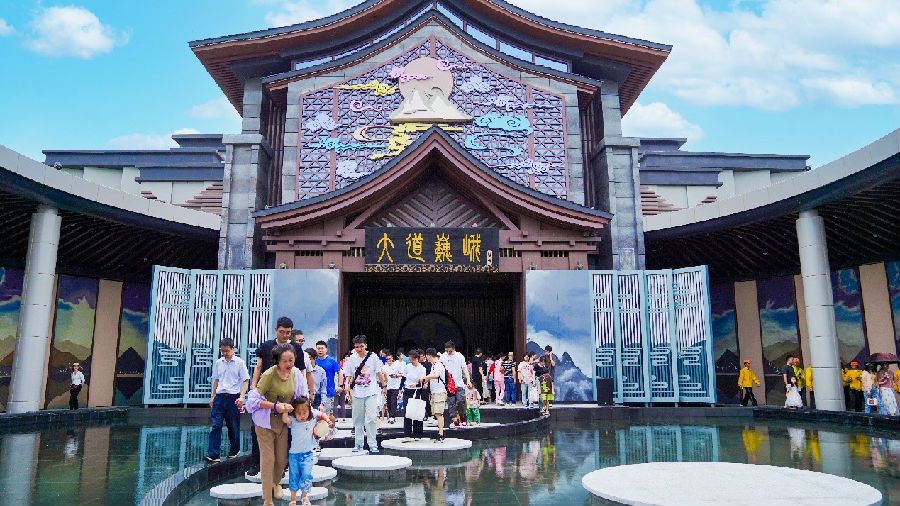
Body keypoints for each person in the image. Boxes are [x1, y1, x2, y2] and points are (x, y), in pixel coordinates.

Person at [245, 343, 309, 506]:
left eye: (291, 360)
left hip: (283, 421)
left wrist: (314, 415)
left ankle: (276, 482)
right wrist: (275, 406)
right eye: (284, 361)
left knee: (281, 459)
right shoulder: (269, 374)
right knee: (268, 459)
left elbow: (301, 397)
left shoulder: (296, 374)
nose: (288, 364)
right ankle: (267, 499)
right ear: (277, 361)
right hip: (264, 421)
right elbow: (251, 402)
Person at [249, 317, 313, 476]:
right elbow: (258, 367)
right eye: (282, 332)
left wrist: (303, 395)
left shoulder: (296, 348)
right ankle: (256, 463)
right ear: (276, 330)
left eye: (288, 333)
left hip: (288, 397)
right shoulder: (266, 346)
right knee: (258, 430)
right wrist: (253, 388)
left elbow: (301, 371)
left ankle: (283, 465)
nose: (285, 335)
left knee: (286, 431)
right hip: (266, 394)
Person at [205, 338, 250, 463]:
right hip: (219, 398)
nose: (225, 353)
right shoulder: (218, 362)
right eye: (222, 351)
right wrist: (212, 396)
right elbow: (216, 380)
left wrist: (242, 397)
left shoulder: (240, 363)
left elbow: (246, 380)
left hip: (233, 398)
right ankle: (214, 454)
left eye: (227, 351)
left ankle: (234, 450)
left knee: (233, 425)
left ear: (233, 349)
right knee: (216, 425)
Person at [286, 397, 334, 506]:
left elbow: (322, 414)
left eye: (305, 412)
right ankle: (293, 499)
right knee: (293, 476)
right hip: (293, 455)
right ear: (294, 412)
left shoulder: (312, 418)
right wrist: (285, 410)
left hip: (307, 454)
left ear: (309, 410)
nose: (302, 415)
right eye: (299, 413)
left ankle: (304, 496)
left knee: (306, 475)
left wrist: (327, 420)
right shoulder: (292, 420)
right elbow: (284, 419)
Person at [341, 335, 386, 453]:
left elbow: (379, 373)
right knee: (358, 419)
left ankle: (372, 444)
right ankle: (358, 443)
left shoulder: (373, 357)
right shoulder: (351, 359)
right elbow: (348, 375)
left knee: (371, 418)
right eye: (357, 347)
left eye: (361, 346)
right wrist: (346, 386)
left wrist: (384, 386)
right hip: (357, 392)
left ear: (366, 345)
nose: (359, 349)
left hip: (371, 391)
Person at [420, 348, 447, 443]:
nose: (426, 358)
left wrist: (425, 377)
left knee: (439, 414)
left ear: (429, 355)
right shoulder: (433, 365)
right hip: (435, 392)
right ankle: (440, 432)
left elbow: (436, 375)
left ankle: (441, 434)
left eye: (426, 356)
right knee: (436, 413)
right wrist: (426, 382)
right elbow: (431, 376)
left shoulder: (438, 365)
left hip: (439, 392)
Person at [440, 341, 469, 426]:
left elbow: (464, 369)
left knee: (461, 401)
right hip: (449, 385)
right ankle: (455, 420)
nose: (448, 353)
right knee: (451, 403)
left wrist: (468, 380)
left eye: (450, 351)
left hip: (459, 383)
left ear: (454, 349)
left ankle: (462, 417)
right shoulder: (443, 356)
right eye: (447, 351)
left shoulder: (459, 356)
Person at [402, 350, 427, 440]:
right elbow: (404, 378)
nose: (411, 361)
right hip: (407, 390)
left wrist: (416, 385)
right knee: (407, 412)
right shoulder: (407, 367)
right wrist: (400, 388)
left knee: (417, 411)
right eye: (410, 359)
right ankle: (407, 434)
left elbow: (423, 381)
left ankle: (418, 434)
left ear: (416, 359)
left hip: (417, 391)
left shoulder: (422, 368)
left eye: (412, 359)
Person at [314, 341, 341, 415]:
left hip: (328, 391)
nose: (320, 350)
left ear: (326, 349)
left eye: (322, 348)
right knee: (316, 415)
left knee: (327, 415)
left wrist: (340, 385)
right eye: (318, 348)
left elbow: (339, 372)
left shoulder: (332, 361)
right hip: (316, 392)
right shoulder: (314, 361)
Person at [383, 353, 404, 424]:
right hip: (388, 386)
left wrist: (396, 375)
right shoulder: (384, 367)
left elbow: (402, 374)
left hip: (396, 386)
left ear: (392, 358)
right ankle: (390, 416)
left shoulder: (397, 365)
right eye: (387, 359)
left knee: (393, 401)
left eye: (389, 359)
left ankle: (392, 416)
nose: (388, 360)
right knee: (388, 402)